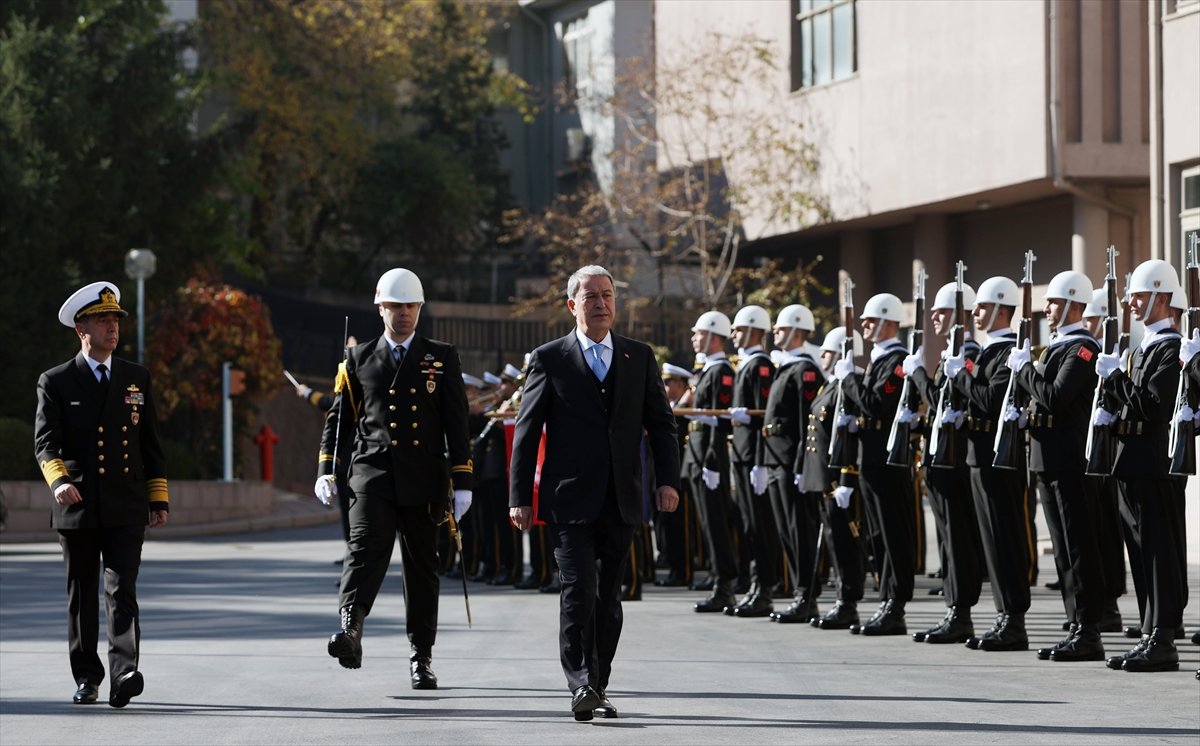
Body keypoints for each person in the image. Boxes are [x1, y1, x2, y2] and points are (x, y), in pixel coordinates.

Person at [509, 265, 680, 722]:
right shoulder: (550, 358)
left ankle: (599, 683)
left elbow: (662, 424)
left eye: (607, 295)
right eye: (591, 297)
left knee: (609, 597)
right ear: (572, 305)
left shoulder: (638, 357)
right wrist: (519, 496)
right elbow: (527, 433)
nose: (601, 303)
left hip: (621, 498)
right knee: (578, 591)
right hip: (570, 499)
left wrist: (668, 480)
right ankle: (580, 681)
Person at [316, 268, 473, 690]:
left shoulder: (441, 356)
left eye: (410, 306)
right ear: (380, 308)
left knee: (422, 570)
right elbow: (340, 420)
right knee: (364, 550)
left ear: (419, 308)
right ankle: (351, 629)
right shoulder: (358, 358)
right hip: (373, 474)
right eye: (395, 306)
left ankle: (421, 657)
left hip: (424, 479)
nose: (403, 314)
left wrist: (464, 479)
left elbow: (456, 423)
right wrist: (326, 470)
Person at [34, 282, 170, 707]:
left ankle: (124, 672)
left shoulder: (136, 377)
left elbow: (150, 444)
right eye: (102, 320)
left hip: (126, 503)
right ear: (81, 329)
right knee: (82, 592)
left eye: (115, 320)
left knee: (121, 588)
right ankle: (88, 677)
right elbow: (45, 443)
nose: (112, 328)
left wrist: (157, 498)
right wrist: (59, 482)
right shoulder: (55, 380)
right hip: (77, 506)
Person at [1007, 270, 1106, 663]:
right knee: (1063, 549)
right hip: (1046, 458)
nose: (1045, 308)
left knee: (1079, 545)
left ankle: (1089, 629)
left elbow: (1057, 398)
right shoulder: (1055, 347)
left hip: (1069, 460)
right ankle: (1075, 625)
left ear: (1071, 303)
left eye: (1051, 301)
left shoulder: (1082, 349)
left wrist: (1025, 370)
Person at [1097, 260, 1187, 672]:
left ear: (1161, 297)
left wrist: (1115, 380)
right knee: (1140, 551)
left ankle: (1164, 638)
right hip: (1130, 461)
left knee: (1158, 553)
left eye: (1138, 295)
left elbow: (1152, 406)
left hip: (1154, 463)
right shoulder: (1141, 349)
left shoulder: (1172, 349)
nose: (1130, 302)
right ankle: (1150, 630)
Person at [955, 275, 1034, 652]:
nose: (976, 313)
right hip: (978, 454)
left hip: (999, 457)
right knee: (990, 540)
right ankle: (1003, 614)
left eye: (983, 307)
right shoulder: (987, 352)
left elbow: (988, 399)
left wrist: (964, 374)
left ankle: (1014, 618)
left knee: (1006, 537)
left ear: (1003, 309)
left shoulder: (1007, 353)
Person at [904, 281, 984, 644]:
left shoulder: (967, 354)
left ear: (958, 317)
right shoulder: (953, 355)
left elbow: (945, 401)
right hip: (941, 459)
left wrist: (919, 374)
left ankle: (961, 612)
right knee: (948, 540)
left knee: (958, 538)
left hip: (955, 462)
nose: (934, 317)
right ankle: (955, 609)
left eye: (941, 311)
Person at [833, 292, 916, 636]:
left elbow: (877, 404)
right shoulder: (878, 361)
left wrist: (849, 380)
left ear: (888, 322)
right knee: (878, 534)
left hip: (887, 459)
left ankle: (895, 605)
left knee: (893, 534)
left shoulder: (897, 361)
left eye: (870, 320)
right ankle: (886, 600)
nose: (864, 326)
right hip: (870, 458)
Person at [761, 305, 824, 623]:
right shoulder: (786, 367)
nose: (775, 332)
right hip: (776, 459)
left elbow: (806, 423)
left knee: (799, 529)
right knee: (787, 529)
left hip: (790, 461)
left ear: (798, 331)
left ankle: (806, 595)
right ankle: (802, 594)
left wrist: (803, 464)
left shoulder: (804, 370)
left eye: (781, 328)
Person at [805, 327, 869, 630]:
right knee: (835, 540)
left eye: (828, 352)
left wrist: (847, 478)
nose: (822, 357)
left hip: (839, 479)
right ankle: (841, 599)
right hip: (824, 477)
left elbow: (852, 436)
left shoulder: (849, 384)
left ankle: (848, 603)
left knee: (846, 543)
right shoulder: (830, 385)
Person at [724, 305, 781, 617]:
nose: (733, 334)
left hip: (754, 457)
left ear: (755, 331)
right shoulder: (747, 364)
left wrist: (761, 461)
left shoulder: (760, 366)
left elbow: (764, 417)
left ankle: (764, 588)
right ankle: (757, 586)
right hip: (743, 455)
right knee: (750, 524)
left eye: (739, 329)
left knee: (760, 525)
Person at [683, 311, 740, 612]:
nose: (694, 338)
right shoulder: (707, 370)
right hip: (698, 451)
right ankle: (719, 578)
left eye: (698, 333)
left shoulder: (721, 371)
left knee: (716, 522)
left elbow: (719, 420)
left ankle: (725, 585)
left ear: (714, 335)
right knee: (707, 521)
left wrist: (712, 462)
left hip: (709, 454)